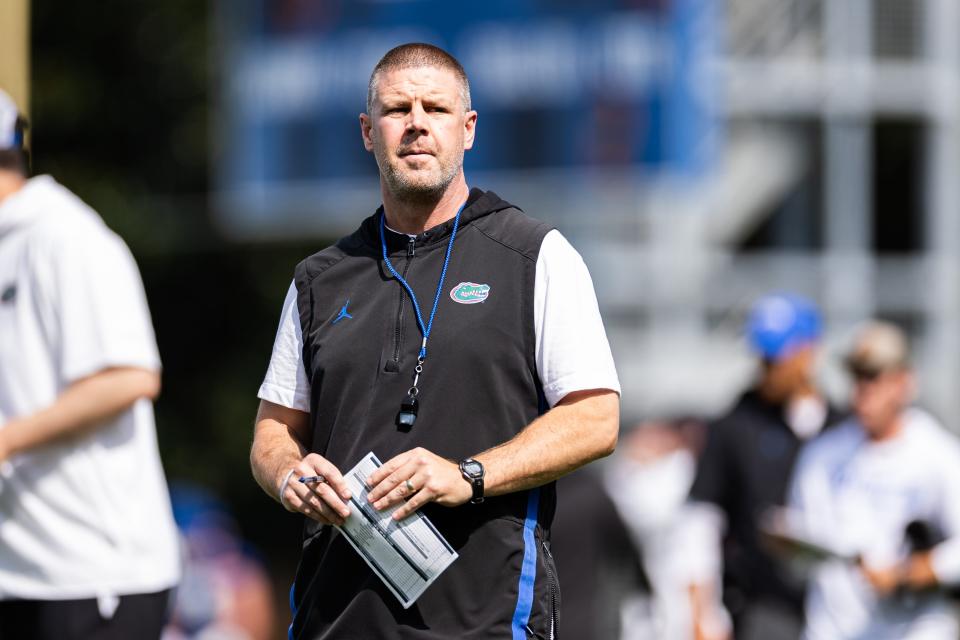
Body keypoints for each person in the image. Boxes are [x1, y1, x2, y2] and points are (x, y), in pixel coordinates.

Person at [249, 43, 621, 639]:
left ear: (467, 129)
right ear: (368, 132)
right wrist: (292, 474)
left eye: (436, 109)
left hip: (488, 616)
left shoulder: (536, 255)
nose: (417, 123)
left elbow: (596, 418)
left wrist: (468, 474)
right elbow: (274, 431)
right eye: (398, 109)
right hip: (336, 618)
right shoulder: (319, 278)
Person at [0, 89, 181, 638]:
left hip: (95, 577)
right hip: (22, 574)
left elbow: (131, 376)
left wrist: (5, 441)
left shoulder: (66, 236)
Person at [786, 321, 960, 639]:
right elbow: (804, 540)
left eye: (874, 378)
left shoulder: (937, 453)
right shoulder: (822, 455)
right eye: (856, 377)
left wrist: (910, 572)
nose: (863, 391)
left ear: (904, 382)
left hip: (913, 627)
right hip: (835, 629)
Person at [686, 293, 842, 640]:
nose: (765, 367)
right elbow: (701, 521)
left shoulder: (843, 428)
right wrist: (704, 612)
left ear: (808, 353)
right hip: (764, 608)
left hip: (838, 609)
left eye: (776, 358)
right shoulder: (735, 424)